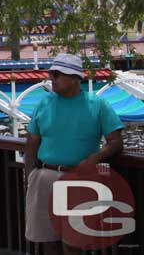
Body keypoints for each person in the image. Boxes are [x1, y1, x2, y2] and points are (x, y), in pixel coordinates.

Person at [24, 53, 125, 252]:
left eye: (57, 74)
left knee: (74, 242)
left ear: (74, 78)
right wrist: (29, 176)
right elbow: (31, 144)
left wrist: (94, 158)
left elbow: (116, 141)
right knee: (47, 240)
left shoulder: (98, 105)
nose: (51, 78)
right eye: (51, 74)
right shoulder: (43, 104)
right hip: (45, 176)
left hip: (80, 178)